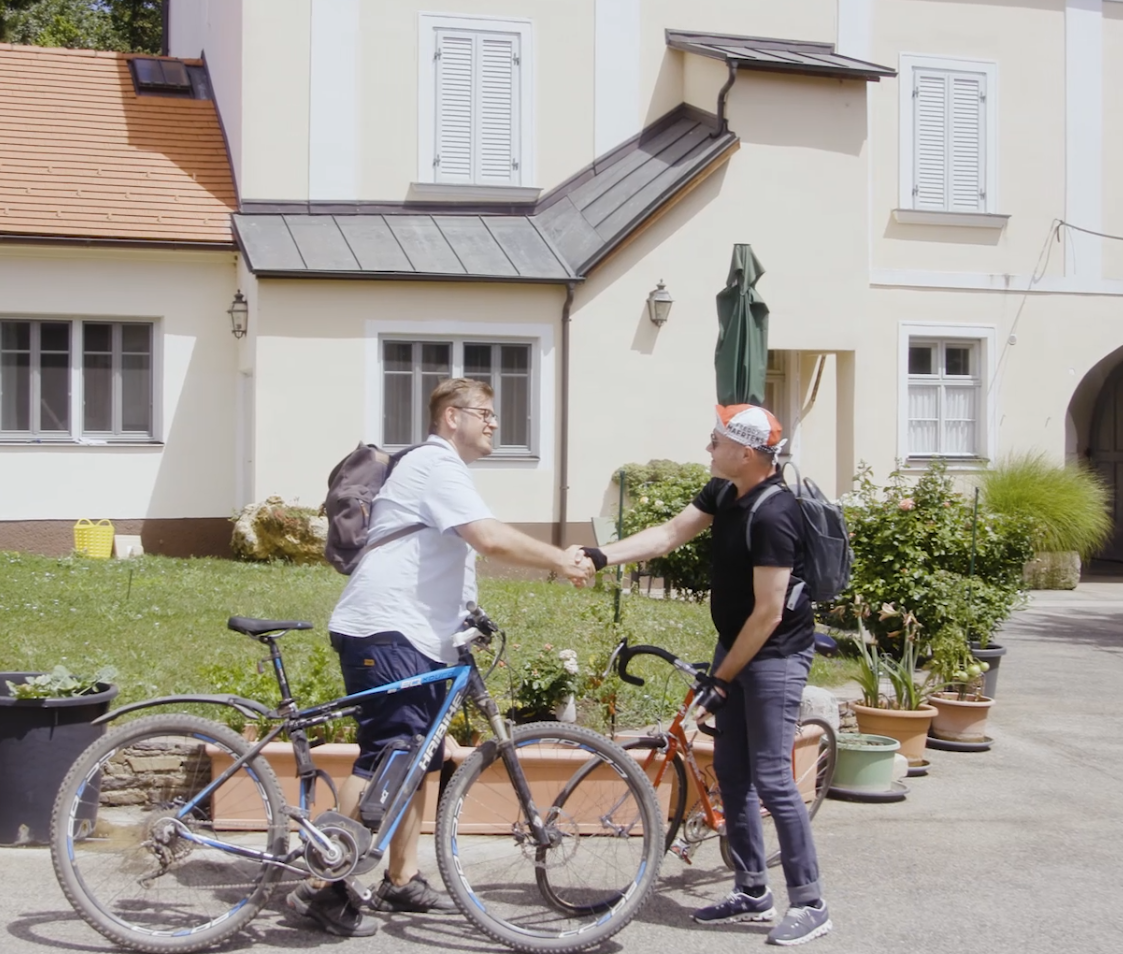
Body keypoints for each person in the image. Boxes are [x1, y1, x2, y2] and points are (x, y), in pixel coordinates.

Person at [289, 377, 596, 938]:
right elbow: (488, 538)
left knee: (421, 757)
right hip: (388, 631)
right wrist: (560, 559)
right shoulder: (437, 465)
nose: (495, 423)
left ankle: (401, 879)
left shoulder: (441, 471)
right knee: (387, 754)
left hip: (420, 637)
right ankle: (319, 884)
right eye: (485, 413)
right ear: (451, 417)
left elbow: (447, 555)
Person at [582, 404, 831, 947]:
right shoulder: (725, 492)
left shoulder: (774, 514)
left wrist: (721, 678)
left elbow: (768, 613)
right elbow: (669, 534)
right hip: (737, 647)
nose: (707, 447)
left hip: (774, 656)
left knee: (771, 777)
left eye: (716, 441)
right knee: (733, 772)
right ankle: (752, 891)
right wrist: (602, 556)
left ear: (746, 453)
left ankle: (810, 902)